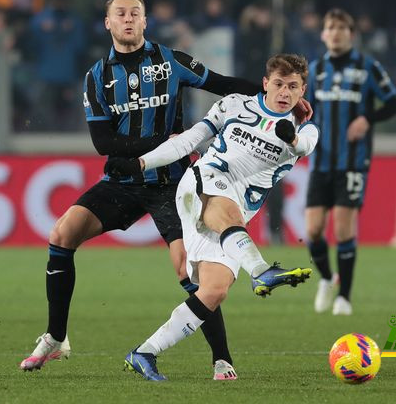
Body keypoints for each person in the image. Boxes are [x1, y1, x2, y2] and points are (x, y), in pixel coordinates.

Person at [19, 0, 311, 379]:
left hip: (172, 182)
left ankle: (221, 358)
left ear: (144, 21)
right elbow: (104, 144)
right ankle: (56, 337)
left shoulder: (170, 61)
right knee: (62, 233)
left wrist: (273, 99)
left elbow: (223, 84)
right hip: (123, 181)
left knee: (189, 272)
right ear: (107, 23)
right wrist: (169, 142)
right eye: (120, 13)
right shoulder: (97, 77)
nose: (127, 19)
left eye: (135, 13)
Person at [106, 53, 317, 381]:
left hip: (233, 217)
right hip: (203, 182)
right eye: (278, 84)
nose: (284, 92)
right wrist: (140, 164)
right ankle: (260, 270)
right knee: (225, 202)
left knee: (214, 290)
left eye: (293, 87)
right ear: (265, 84)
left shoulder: (307, 129)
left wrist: (290, 135)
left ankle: (144, 352)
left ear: (302, 90)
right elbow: (191, 140)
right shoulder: (235, 106)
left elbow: (302, 145)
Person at [305, 9, 396, 315]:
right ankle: (326, 278)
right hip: (321, 161)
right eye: (330, 27)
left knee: (344, 230)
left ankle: (344, 297)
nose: (335, 32)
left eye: (342, 28)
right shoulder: (315, 70)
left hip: (353, 161)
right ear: (323, 34)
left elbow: (394, 102)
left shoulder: (367, 67)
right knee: (314, 229)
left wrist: (367, 118)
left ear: (351, 34)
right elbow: (304, 111)